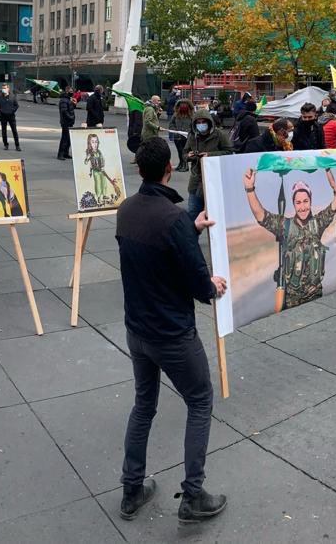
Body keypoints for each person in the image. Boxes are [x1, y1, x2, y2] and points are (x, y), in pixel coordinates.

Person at [115, 137, 228, 524]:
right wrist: (213, 285)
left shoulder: (127, 210)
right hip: (172, 334)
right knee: (200, 400)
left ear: (140, 169)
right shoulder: (173, 218)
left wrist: (189, 230)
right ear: (168, 168)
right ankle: (193, 495)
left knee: (144, 404)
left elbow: (157, 257)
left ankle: (132, 490)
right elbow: (199, 286)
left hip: (137, 330)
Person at [243, 164, 336, 309]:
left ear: (310, 201)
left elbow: (334, 204)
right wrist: (249, 189)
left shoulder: (318, 223)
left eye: (306, 201)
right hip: (292, 302)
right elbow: (261, 216)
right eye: (298, 202)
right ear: (293, 204)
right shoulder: (284, 226)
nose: (302, 207)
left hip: (316, 296)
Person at [185, 108, 233, 221]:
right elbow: (184, 153)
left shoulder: (220, 135)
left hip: (215, 181)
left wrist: (210, 155)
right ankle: (191, 237)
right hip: (196, 181)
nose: (201, 125)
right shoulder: (192, 136)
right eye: (198, 122)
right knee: (192, 215)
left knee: (215, 217)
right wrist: (188, 156)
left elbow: (230, 152)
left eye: (203, 122)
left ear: (209, 122)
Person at [0, 84, 21, 151]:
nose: (4, 89)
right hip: (3, 116)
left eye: (5, 88)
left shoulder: (13, 96)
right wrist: (1, 111)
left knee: (14, 131)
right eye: (3, 88)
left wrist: (12, 111)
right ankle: (6, 145)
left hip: (11, 116)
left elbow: (16, 105)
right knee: (4, 131)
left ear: (8, 89)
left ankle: (17, 145)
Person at [170, 97, 194, 171]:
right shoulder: (176, 115)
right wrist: (175, 131)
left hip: (187, 137)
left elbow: (194, 125)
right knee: (179, 151)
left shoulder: (192, 115)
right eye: (181, 104)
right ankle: (181, 164)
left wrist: (190, 132)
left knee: (185, 151)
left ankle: (185, 165)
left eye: (185, 104)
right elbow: (171, 124)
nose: (183, 106)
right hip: (177, 137)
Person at [57, 84, 75, 160]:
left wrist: (73, 104)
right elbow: (64, 111)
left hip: (69, 122)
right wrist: (71, 117)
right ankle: (60, 154)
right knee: (64, 138)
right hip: (65, 122)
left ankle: (66, 153)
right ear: (67, 91)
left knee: (68, 138)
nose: (72, 92)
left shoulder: (68, 99)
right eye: (71, 91)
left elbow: (70, 108)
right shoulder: (64, 100)